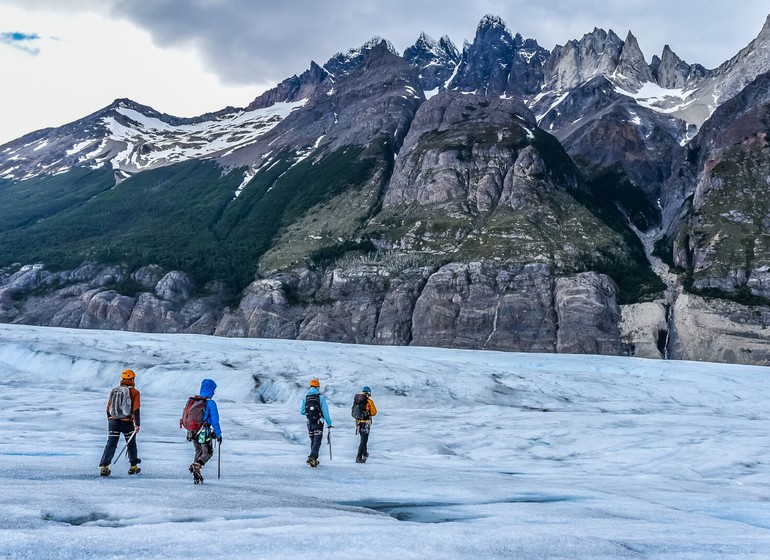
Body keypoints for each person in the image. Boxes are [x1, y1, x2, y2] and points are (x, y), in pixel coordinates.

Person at [99, 369, 141, 476]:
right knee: (131, 444)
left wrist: (110, 419)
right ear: (132, 378)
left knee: (111, 443)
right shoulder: (135, 392)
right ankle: (133, 467)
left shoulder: (115, 390)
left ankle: (104, 466)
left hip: (113, 421)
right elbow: (136, 409)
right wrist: (137, 424)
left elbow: (108, 407)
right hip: (127, 422)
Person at [184, 378, 222, 484]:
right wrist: (218, 434)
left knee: (198, 451)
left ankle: (197, 472)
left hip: (192, 431)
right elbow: (215, 421)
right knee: (207, 452)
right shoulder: (210, 403)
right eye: (213, 389)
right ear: (210, 390)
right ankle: (197, 466)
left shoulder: (194, 401)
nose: (214, 392)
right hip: (203, 431)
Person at [300, 378, 333, 467]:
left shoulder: (305, 397)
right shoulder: (320, 397)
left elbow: (302, 411)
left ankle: (313, 459)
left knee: (313, 440)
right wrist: (329, 423)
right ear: (318, 386)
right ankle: (312, 457)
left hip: (309, 422)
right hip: (319, 422)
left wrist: (310, 413)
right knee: (317, 441)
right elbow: (325, 412)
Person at [352, 386, 377, 463]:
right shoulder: (369, 401)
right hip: (365, 423)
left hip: (358, 423)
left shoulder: (357, 400)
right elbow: (374, 412)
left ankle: (365, 454)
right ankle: (359, 457)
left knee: (363, 439)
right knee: (364, 440)